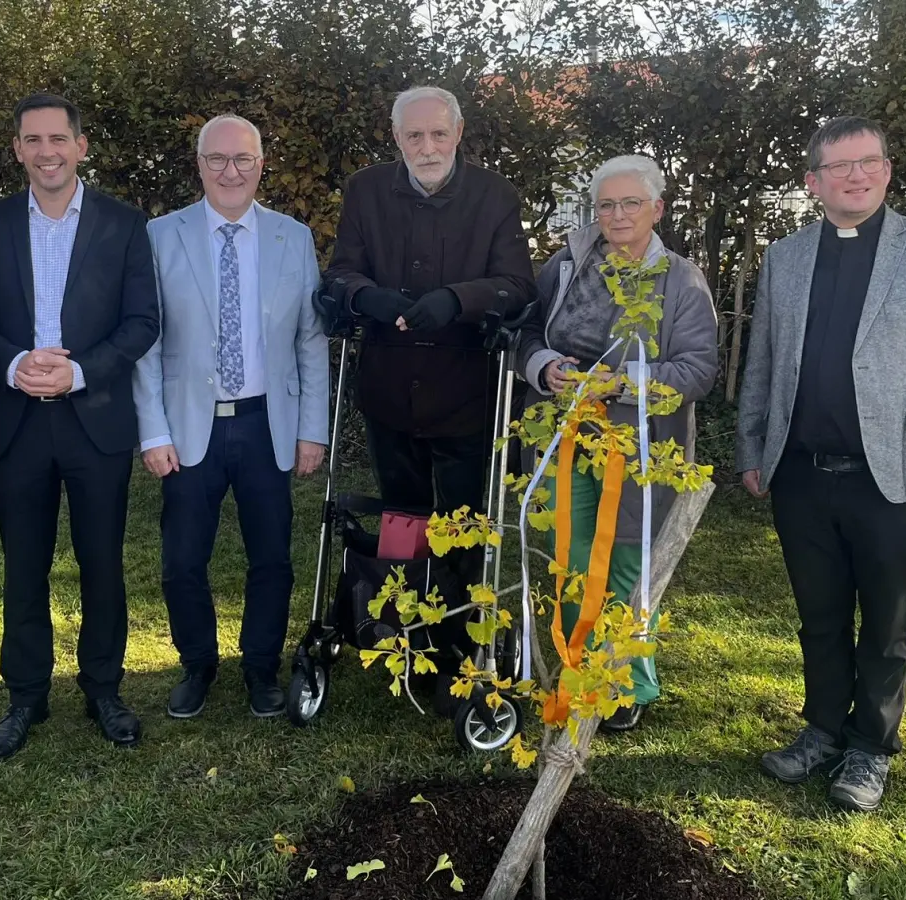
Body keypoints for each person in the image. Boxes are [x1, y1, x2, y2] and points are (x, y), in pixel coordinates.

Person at [735, 116, 906, 811]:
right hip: (800, 472)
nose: (857, 176)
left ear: (886, 168)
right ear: (813, 181)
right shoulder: (785, 257)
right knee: (818, 614)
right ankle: (821, 729)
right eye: (840, 166)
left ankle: (870, 748)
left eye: (869, 162)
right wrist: (753, 447)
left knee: (884, 620)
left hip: (895, 475)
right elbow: (761, 364)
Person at [0, 93, 159, 760]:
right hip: (17, 423)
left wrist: (79, 372)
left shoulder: (124, 224)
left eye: (57, 139)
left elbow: (142, 322)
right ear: (17, 149)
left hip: (94, 421)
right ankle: (26, 698)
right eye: (32, 140)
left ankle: (104, 690)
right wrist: (14, 364)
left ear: (81, 145)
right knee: (24, 566)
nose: (46, 151)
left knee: (102, 563)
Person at [132, 114, 330, 720]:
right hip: (189, 427)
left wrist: (311, 429)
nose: (230, 171)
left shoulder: (291, 238)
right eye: (217, 159)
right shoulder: (159, 236)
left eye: (243, 159)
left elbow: (310, 339)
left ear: (261, 164)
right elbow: (145, 340)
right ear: (199, 165)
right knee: (182, 559)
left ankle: (261, 668)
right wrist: (153, 429)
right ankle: (197, 664)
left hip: (267, 421)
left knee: (271, 556)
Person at [517, 155, 718, 732]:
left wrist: (625, 383)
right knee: (575, 559)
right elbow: (526, 333)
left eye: (631, 203)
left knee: (625, 562)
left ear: (657, 209)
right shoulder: (566, 265)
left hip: (637, 452)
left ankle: (627, 683)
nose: (617, 214)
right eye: (606, 204)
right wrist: (542, 365)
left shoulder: (681, 280)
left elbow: (699, 370)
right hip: (561, 438)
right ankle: (581, 672)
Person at [323, 85, 535, 519]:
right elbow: (340, 273)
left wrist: (457, 300)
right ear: (397, 137)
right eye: (414, 136)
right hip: (387, 386)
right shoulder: (365, 189)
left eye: (438, 134)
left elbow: (517, 285)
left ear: (458, 132)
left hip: (466, 389)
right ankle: (404, 587)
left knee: (463, 519)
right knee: (402, 515)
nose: (427, 148)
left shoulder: (494, 194)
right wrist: (367, 297)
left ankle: (457, 588)